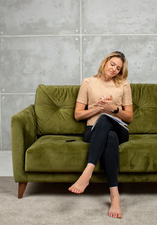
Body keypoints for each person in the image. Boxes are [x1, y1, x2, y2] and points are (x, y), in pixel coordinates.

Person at [68, 51, 133, 219]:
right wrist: (98, 108)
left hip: (120, 129)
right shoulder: (88, 82)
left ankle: (87, 172)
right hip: (94, 130)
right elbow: (78, 115)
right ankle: (115, 196)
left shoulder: (124, 85)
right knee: (108, 135)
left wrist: (113, 109)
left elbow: (129, 117)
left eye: (118, 68)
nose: (114, 69)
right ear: (105, 63)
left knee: (107, 120)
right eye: (112, 64)